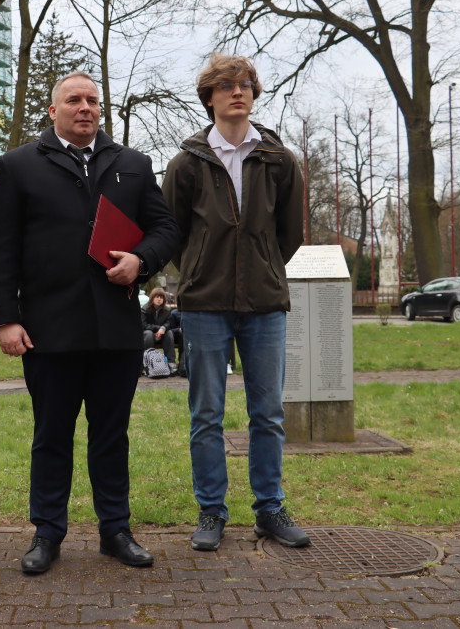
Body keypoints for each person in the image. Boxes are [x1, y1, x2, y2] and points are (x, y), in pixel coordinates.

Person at [0, 71, 179, 575]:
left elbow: (166, 229)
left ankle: (115, 530)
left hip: (115, 331)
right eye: (74, 100)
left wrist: (141, 260)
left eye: (93, 100)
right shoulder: (19, 165)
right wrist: (6, 319)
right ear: (53, 111)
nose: (86, 107)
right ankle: (47, 533)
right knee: (52, 435)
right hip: (48, 333)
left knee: (111, 436)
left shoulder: (132, 165)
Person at [162, 53, 308, 551]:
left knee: (267, 413)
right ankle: (211, 512)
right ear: (209, 97)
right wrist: (203, 270)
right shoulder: (185, 163)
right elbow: (173, 233)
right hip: (204, 304)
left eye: (245, 84)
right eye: (225, 85)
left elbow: (289, 234)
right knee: (207, 413)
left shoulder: (279, 160)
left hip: (265, 304)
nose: (237, 91)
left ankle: (269, 509)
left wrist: (262, 266)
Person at [141, 286, 176, 365]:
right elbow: (144, 325)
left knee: (169, 333)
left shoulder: (167, 310)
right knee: (148, 334)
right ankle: (147, 363)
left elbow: (169, 323)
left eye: (161, 297)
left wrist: (163, 328)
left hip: (162, 336)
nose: (159, 299)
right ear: (152, 298)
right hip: (148, 336)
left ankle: (171, 363)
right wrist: (158, 328)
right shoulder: (144, 309)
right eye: (157, 297)